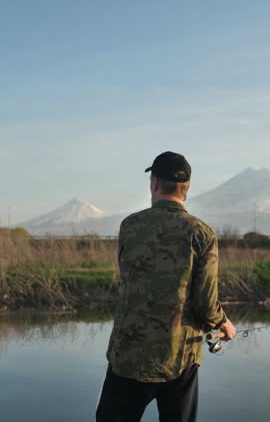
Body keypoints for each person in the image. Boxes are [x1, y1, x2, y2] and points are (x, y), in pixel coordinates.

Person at [96, 151, 237, 422]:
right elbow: (206, 304)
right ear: (187, 188)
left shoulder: (130, 225)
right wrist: (223, 324)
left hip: (128, 355)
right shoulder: (202, 233)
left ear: (155, 183)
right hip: (179, 358)